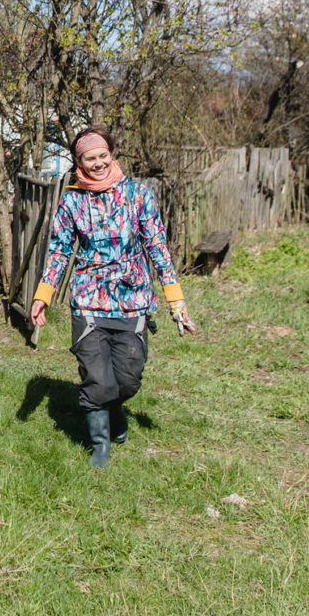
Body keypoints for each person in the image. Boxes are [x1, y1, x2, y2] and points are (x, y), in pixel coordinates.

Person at [29, 127, 197, 468]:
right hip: (88, 302)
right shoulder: (72, 201)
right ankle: (100, 446)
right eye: (90, 158)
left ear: (112, 155)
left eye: (103, 155)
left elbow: (158, 249)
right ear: (79, 161)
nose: (98, 163)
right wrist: (42, 295)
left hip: (133, 302)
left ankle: (115, 407)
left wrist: (176, 303)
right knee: (96, 378)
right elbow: (59, 250)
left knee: (127, 379)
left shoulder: (138, 195)